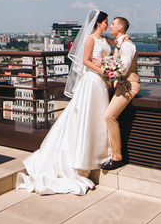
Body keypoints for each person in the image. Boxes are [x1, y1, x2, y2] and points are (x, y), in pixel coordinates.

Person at [16, 10, 111, 195]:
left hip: (101, 83)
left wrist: (107, 63)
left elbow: (107, 55)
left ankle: (98, 153)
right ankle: (82, 158)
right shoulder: (90, 39)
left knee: (99, 117)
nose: (107, 25)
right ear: (98, 23)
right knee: (88, 117)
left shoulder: (105, 40)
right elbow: (84, 61)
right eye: (106, 22)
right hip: (92, 81)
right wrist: (102, 70)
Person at [102, 16, 140, 170]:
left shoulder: (127, 47)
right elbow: (111, 41)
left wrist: (102, 63)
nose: (110, 26)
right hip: (120, 85)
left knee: (109, 116)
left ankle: (117, 157)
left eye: (113, 24)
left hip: (129, 85)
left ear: (120, 28)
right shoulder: (121, 43)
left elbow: (123, 69)